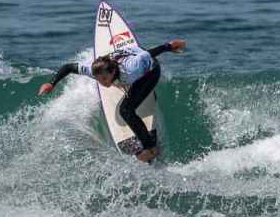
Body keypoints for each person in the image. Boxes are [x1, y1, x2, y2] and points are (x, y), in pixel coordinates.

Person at [38, 38, 186, 163]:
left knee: (126, 110)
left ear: (113, 71)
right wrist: (51, 83)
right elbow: (69, 67)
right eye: (98, 79)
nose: (101, 82)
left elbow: (149, 54)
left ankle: (150, 148)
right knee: (124, 97)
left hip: (149, 71)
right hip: (129, 54)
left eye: (104, 79)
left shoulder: (131, 69)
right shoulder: (96, 70)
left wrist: (170, 46)